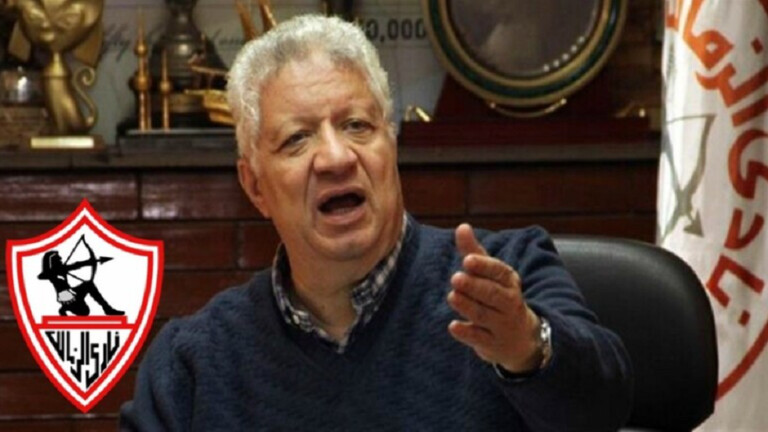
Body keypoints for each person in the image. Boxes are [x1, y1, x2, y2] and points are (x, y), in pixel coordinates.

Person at [120, 15, 632, 431]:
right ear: (255, 186)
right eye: (297, 139)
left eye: (357, 126)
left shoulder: (509, 272)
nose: (336, 157)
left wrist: (526, 347)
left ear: (391, 145)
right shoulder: (195, 361)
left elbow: (605, 410)